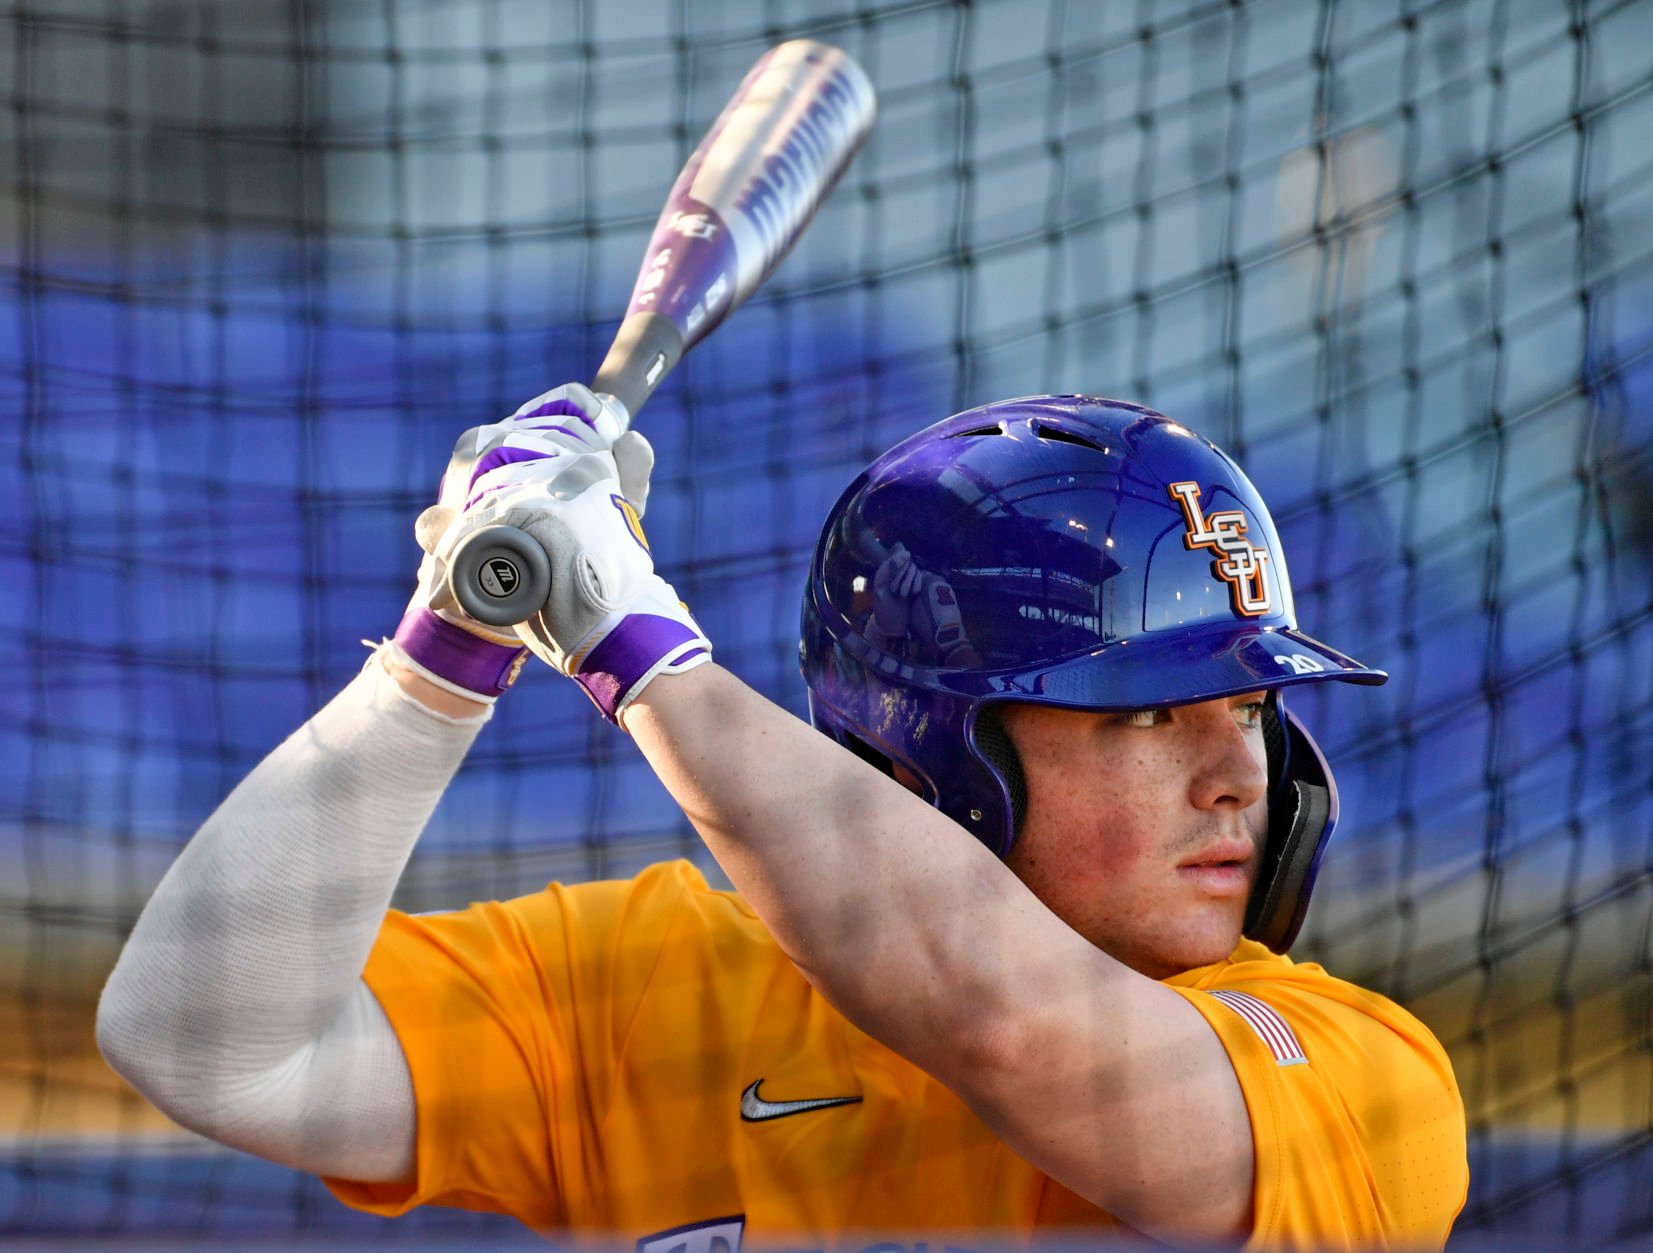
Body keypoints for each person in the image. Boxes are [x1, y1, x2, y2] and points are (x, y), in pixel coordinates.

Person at [97, 388, 1469, 1250]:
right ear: (937, 755)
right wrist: (444, 649)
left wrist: (626, 640)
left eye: (1245, 707)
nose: (1239, 772)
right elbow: (205, 1044)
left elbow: (1015, 1025)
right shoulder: (657, 979)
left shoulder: (1368, 1082)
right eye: (1147, 717)